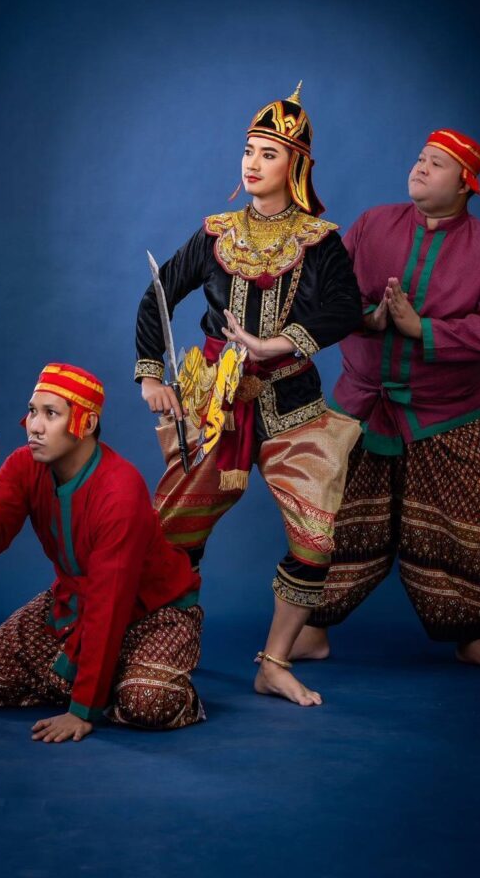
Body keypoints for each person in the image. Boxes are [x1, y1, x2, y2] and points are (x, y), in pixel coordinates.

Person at [135, 84, 362, 707]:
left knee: (315, 539)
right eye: (248, 150)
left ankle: (276, 661)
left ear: (296, 165)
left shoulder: (319, 239)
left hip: (294, 408)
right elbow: (158, 296)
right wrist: (151, 375)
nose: (253, 163)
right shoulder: (215, 233)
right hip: (216, 409)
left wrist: (274, 344)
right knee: (174, 533)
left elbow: (345, 307)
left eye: (268, 153)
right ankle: (158, 647)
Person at [291, 128, 480, 672]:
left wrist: (424, 330)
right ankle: (313, 630)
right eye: (420, 158)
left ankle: (470, 637)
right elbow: (325, 295)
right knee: (332, 522)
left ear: (465, 185)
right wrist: (365, 318)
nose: (420, 167)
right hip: (360, 406)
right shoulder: (372, 224)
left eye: (437, 164)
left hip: (452, 415)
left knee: (469, 531)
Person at [0, 362, 204, 742]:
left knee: (148, 702)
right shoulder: (24, 465)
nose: (34, 426)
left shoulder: (120, 490)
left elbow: (110, 601)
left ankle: (128, 683)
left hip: (155, 611)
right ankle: (114, 675)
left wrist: (82, 710)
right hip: (76, 603)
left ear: (86, 424)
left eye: (51, 414)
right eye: (32, 411)